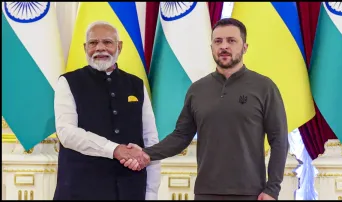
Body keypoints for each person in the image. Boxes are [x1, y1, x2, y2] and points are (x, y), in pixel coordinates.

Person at [121, 18, 289, 200]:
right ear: (211, 48)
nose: (224, 46)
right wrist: (146, 153)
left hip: (251, 193)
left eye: (231, 41)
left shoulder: (264, 87)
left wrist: (272, 189)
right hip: (205, 192)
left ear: (245, 47)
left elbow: (279, 140)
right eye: (218, 41)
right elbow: (180, 137)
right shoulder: (197, 90)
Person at [53, 21, 160, 200]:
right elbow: (66, 133)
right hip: (80, 190)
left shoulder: (136, 85)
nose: (100, 48)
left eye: (107, 42)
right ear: (85, 47)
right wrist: (114, 149)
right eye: (93, 43)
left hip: (131, 190)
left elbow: (151, 140)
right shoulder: (68, 82)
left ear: (119, 46)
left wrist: (151, 192)